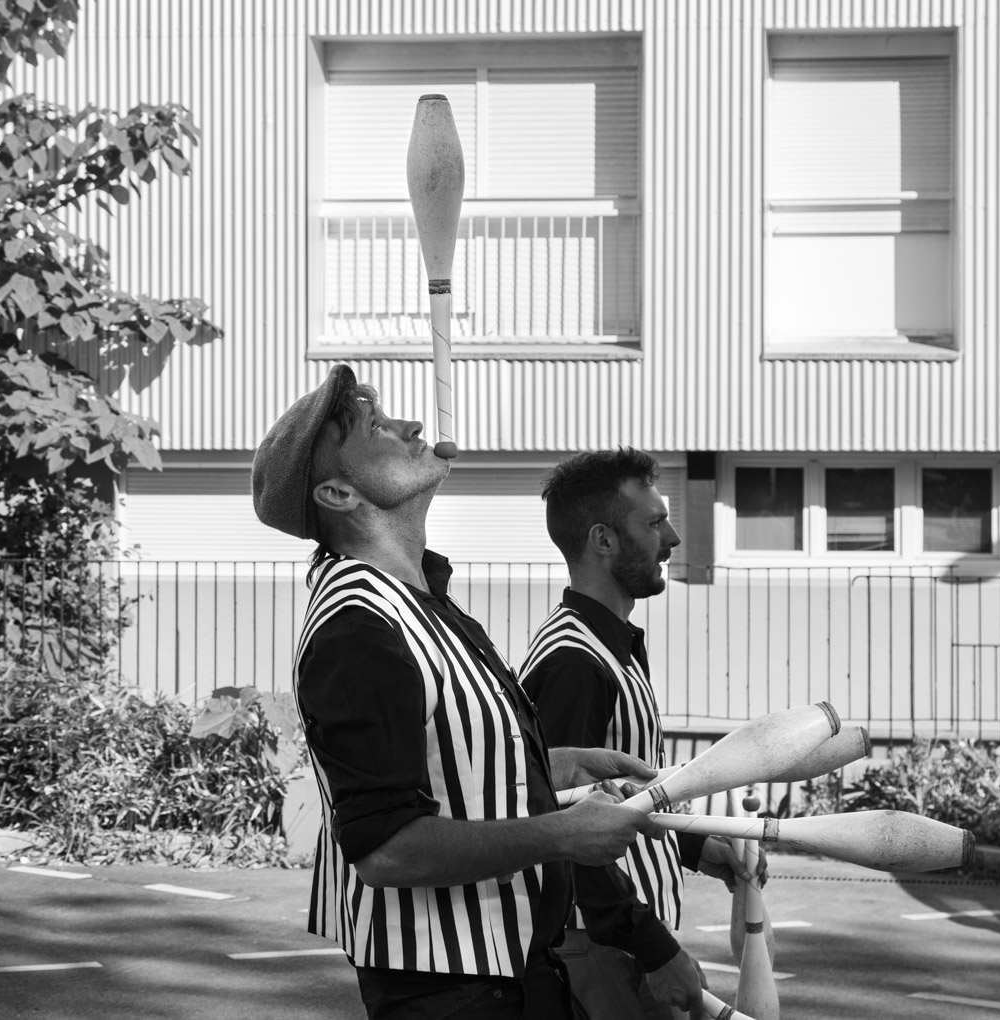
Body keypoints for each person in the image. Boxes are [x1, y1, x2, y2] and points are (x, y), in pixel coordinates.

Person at [251, 366, 675, 1020]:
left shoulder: (420, 600)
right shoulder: (358, 626)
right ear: (338, 493)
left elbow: (442, 764)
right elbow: (386, 848)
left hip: (512, 975)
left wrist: (555, 766)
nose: (411, 426)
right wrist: (561, 833)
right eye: (375, 426)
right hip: (454, 994)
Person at [520, 448, 757, 1020]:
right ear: (603, 540)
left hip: (616, 940)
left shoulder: (610, 645)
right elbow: (564, 829)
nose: (672, 539)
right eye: (654, 524)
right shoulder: (576, 661)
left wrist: (693, 845)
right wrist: (651, 948)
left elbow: (621, 802)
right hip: (601, 947)